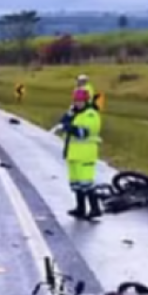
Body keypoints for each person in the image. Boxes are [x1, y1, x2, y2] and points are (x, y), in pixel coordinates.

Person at [55, 88, 103, 220]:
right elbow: (62, 122)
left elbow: (83, 133)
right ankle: (80, 208)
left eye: (80, 101)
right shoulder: (75, 113)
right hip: (73, 154)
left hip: (85, 154)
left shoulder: (91, 114)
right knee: (76, 184)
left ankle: (95, 209)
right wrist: (68, 115)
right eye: (75, 101)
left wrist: (67, 126)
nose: (77, 103)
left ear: (86, 101)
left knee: (86, 183)